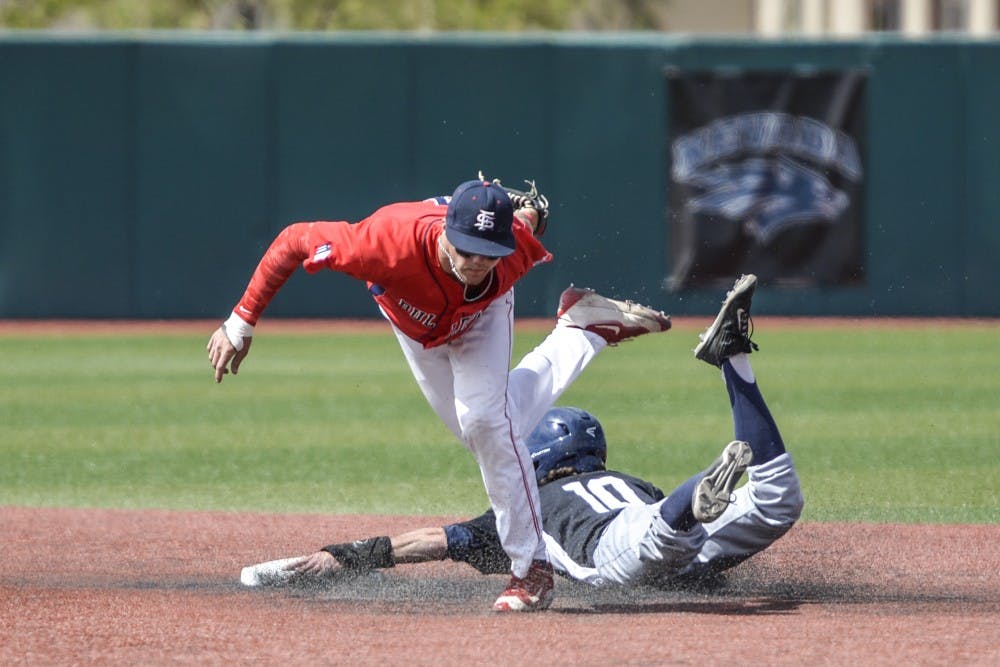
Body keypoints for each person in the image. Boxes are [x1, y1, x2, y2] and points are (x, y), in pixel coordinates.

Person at [208, 174, 672, 611]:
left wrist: (527, 217)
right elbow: (293, 239)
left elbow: (524, 222)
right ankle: (581, 330)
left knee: (488, 425)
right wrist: (241, 321)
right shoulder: (384, 242)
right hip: (415, 326)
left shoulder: (515, 251)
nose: (476, 262)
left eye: (488, 252)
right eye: (467, 249)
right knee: (488, 432)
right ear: (447, 230)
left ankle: (530, 571)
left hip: (481, 319)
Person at [268, 274, 804, 591]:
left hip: (620, 549)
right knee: (776, 502)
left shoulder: (528, 500)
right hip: (664, 523)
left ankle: (697, 494)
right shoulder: (624, 478)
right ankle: (732, 361)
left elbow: (432, 542)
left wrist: (345, 555)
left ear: (540, 453)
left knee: (653, 544)